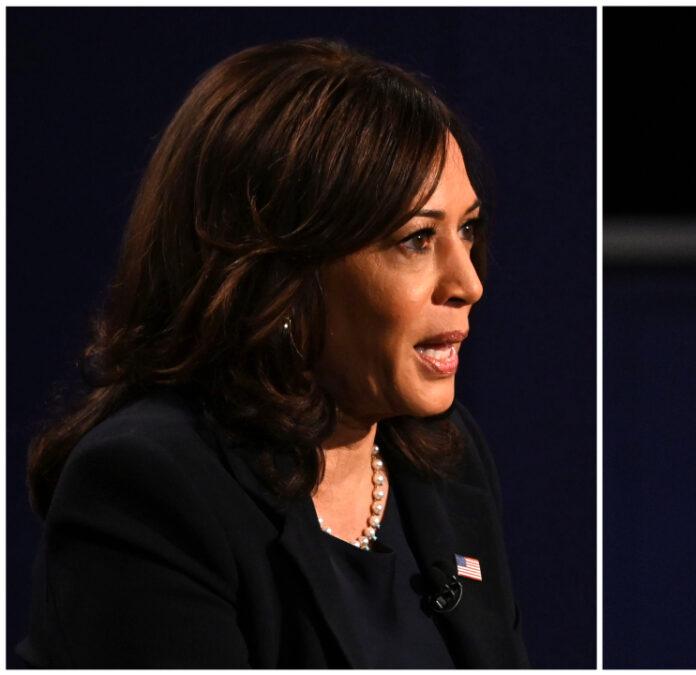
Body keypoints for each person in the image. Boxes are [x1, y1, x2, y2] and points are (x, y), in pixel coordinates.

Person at [19, 39, 527, 668]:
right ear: (283, 271)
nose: (469, 283)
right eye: (417, 239)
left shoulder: (443, 457)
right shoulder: (153, 487)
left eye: (467, 229)